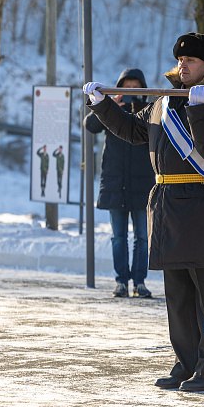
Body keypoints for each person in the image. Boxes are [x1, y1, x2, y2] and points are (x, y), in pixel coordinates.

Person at [83, 32, 204, 392]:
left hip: (200, 205)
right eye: (180, 60)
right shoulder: (164, 103)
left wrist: (200, 110)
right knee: (177, 296)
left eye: (191, 60)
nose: (183, 65)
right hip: (166, 203)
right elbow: (133, 130)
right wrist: (102, 105)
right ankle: (186, 363)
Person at [84, 68, 154, 298]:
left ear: (143, 89)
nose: (131, 91)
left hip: (143, 185)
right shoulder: (111, 110)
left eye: (136, 87)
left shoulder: (149, 111)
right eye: (127, 87)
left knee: (142, 238)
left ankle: (139, 282)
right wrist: (110, 105)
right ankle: (121, 281)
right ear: (119, 88)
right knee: (118, 238)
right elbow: (90, 125)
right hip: (115, 184)